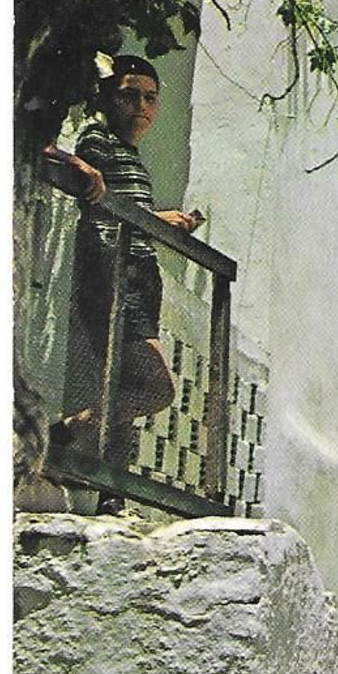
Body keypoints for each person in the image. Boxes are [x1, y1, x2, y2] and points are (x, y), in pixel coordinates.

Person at [50, 54, 201, 474]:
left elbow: (134, 214)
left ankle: (110, 489)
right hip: (114, 273)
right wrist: (158, 219)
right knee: (157, 389)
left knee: (127, 388)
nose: (141, 106)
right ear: (108, 97)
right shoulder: (98, 139)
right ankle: (61, 433)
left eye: (150, 98)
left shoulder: (132, 156)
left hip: (141, 275)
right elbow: (108, 210)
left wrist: (167, 221)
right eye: (129, 95)